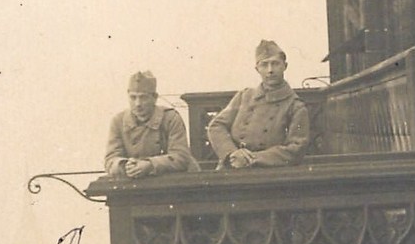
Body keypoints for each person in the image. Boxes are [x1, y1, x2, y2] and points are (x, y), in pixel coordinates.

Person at [208, 40, 310, 168]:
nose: (270, 70)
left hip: (270, 173)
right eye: (264, 65)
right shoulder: (244, 96)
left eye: (275, 64)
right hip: (233, 167)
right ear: (257, 69)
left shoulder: (295, 106)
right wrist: (232, 153)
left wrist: (253, 159)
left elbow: (296, 148)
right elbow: (216, 126)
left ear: (285, 66)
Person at [105, 71, 200, 178]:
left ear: (154, 97)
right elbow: (110, 160)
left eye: (143, 97)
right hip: (136, 183)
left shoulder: (170, 118)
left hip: (173, 183)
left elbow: (181, 157)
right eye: (133, 97)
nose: (138, 104)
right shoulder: (118, 121)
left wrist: (150, 165)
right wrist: (125, 166)